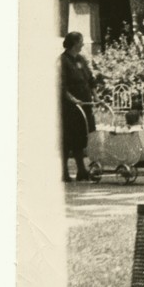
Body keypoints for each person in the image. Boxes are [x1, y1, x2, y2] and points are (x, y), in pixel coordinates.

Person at [60, 32, 97, 182]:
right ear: (74, 43)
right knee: (69, 138)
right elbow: (61, 86)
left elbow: (91, 80)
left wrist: (96, 96)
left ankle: (82, 170)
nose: (83, 44)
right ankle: (64, 171)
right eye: (81, 42)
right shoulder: (62, 61)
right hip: (70, 108)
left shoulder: (81, 59)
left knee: (82, 137)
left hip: (85, 104)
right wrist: (72, 99)